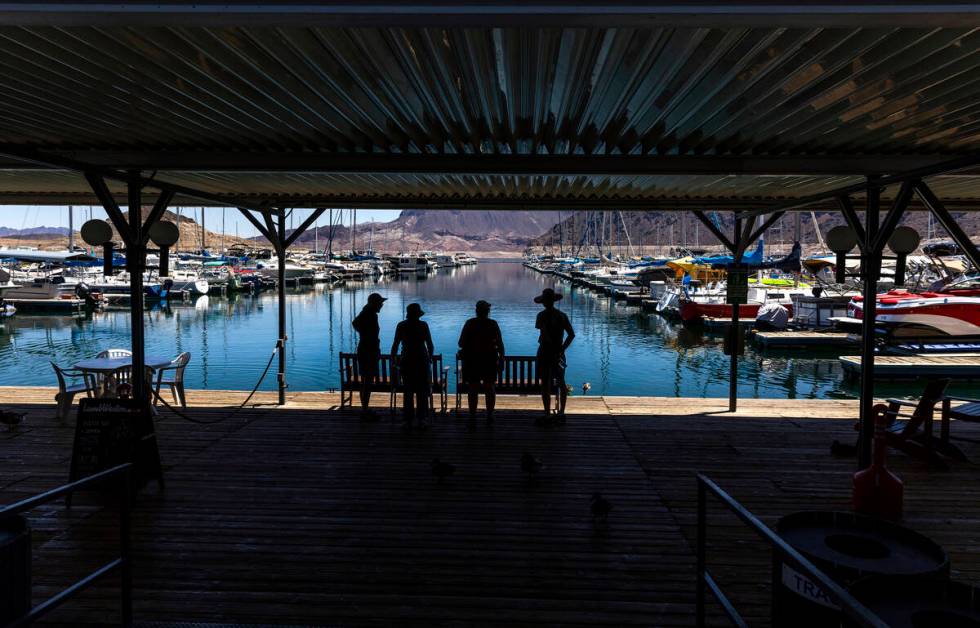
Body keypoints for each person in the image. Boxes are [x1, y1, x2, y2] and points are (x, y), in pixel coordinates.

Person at [458, 300, 505, 423]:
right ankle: (490, 415)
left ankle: (472, 415)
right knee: (490, 387)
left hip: (472, 360)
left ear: (476, 311)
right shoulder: (493, 324)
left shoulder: (469, 323)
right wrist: (502, 359)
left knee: (473, 388)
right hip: (489, 360)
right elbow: (500, 344)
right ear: (488, 312)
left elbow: (461, 343)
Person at [534, 288, 575, 423]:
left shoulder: (541, 316)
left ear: (544, 302)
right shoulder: (562, 316)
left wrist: (551, 346)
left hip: (545, 351)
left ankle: (547, 413)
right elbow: (571, 335)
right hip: (558, 351)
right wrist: (562, 349)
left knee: (545, 383)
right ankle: (562, 412)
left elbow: (544, 334)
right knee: (561, 382)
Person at [391, 303, 435, 428]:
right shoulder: (423, 325)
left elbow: (395, 344)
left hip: (407, 360)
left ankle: (408, 419)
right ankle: (422, 418)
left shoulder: (401, 325)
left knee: (408, 390)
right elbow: (430, 345)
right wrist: (430, 358)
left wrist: (393, 359)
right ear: (418, 314)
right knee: (422, 390)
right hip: (422, 360)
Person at [351, 292, 386, 421]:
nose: (382, 305)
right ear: (375, 303)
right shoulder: (370, 314)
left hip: (366, 349)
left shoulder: (367, 313)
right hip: (368, 351)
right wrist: (366, 336)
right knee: (367, 381)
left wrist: (363, 334)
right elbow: (355, 323)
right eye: (380, 303)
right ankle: (365, 410)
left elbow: (355, 323)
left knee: (366, 381)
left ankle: (365, 409)